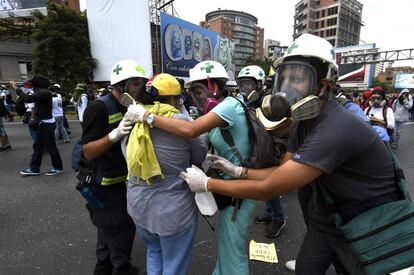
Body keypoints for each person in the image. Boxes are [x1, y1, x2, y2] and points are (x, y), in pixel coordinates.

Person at [179, 34, 401, 275]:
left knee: (355, 268)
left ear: (324, 83)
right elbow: (282, 170)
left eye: (297, 78)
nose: (287, 88)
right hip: (328, 211)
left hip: (369, 216)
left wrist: (208, 183)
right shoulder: (300, 121)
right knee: (307, 269)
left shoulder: (335, 128)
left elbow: (271, 188)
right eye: (284, 78)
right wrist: (240, 171)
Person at [125, 60, 256, 275]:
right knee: (224, 247)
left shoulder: (138, 118)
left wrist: (147, 117)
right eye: (191, 93)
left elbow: (192, 130)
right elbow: (197, 153)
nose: (196, 98)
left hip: (237, 189)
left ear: (213, 86)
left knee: (231, 248)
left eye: (198, 91)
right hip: (185, 202)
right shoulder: (176, 118)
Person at [123, 73, 206, 275]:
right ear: (174, 99)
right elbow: (199, 154)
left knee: (154, 250)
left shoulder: (133, 117)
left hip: (138, 204)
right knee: (174, 264)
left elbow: (127, 154)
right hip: (172, 209)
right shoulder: (180, 121)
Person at [81, 60, 148, 275]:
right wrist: (114, 135)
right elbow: (88, 151)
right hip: (105, 182)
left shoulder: (134, 107)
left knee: (107, 227)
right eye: (135, 84)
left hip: (125, 179)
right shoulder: (99, 108)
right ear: (120, 86)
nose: (141, 89)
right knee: (120, 227)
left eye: (142, 83)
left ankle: (103, 266)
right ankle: (121, 268)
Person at [236, 64, 287, 237]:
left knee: (271, 184)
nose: (244, 89)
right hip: (260, 146)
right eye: (242, 84)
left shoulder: (270, 100)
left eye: (248, 84)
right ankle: (270, 213)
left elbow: (279, 127)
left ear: (259, 84)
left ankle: (278, 219)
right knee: (264, 184)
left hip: (273, 148)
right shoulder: (250, 101)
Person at [13, 76, 64, 176]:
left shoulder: (44, 92)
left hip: (46, 124)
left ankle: (57, 168)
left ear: (38, 84)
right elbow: (34, 103)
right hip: (44, 123)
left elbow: (28, 99)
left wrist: (17, 89)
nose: (32, 86)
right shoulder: (42, 92)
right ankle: (34, 168)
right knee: (38, 147)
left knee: (50, 147)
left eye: (33, 84)